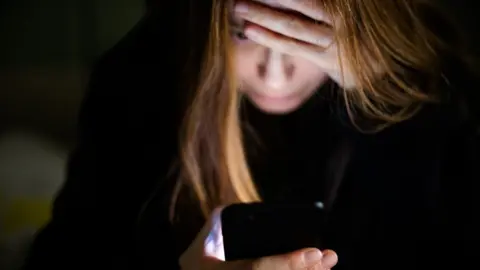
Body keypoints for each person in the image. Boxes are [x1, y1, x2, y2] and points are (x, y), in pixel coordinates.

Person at [23, 0, 479, 269]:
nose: (274, 75)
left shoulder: (437, 90)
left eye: (308, 34)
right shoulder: (139, 84)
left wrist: (389, 98)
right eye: (242, 34)